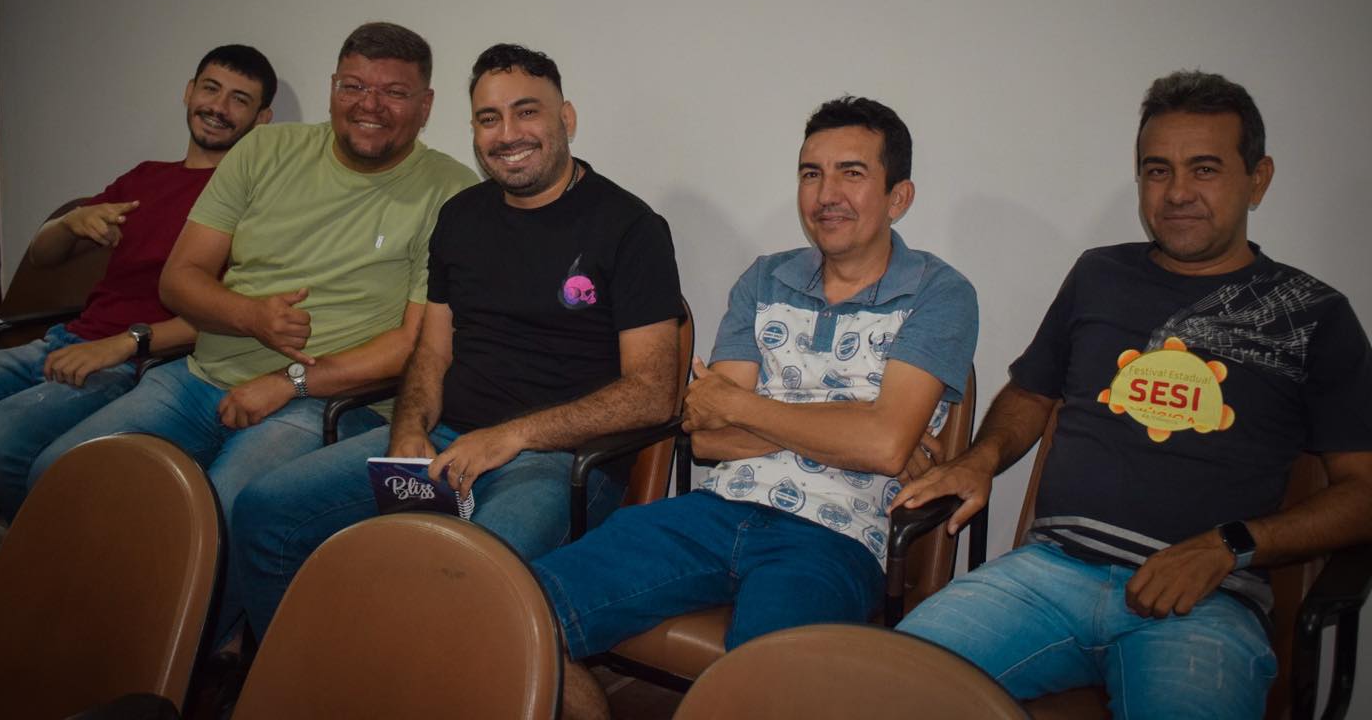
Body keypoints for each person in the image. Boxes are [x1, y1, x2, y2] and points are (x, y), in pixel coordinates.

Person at [894, 72, 1372, 720]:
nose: (1177, 192)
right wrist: (980, 459)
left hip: (1205, 602)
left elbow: (1363, 493)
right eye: (1157, 170)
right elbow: (1031, 393)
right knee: (880, 683)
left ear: (1258, 179)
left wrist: (1229, 545)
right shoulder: (1099, 274)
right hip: (1046, 576)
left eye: (1204, 169)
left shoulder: (1312, 313)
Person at [532, 96, 978, 720]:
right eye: (811, 173)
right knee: (521, 609)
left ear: (898, 196)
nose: (826, 194)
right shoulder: (765, 279)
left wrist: (749, 407)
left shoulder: (940, 294)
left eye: (851, 173)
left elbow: (881, 446)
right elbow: (709, 438)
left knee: (763, 690)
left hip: (836, 538)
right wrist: (851, 420)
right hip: (717, 508)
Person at [232, 42, 684, 639]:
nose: (508, 134)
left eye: (527, 111)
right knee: (265, 511)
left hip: (560, 464)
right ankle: (308, 677)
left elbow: (653, 393)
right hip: (446, 444)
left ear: (566, 118)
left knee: (458, 573)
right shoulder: (461, 216)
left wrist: (511, 436)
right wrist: (409, 429)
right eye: (489, 118)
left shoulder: (630, 228)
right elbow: (433, 350)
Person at [28, 22, 477, 516]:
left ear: (425, 106)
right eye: (353, 86)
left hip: (324, 401)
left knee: (218, 513)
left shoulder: (449, 190)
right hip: (197, 377)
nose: (369, 105)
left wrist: (289, 381)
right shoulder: (264, 149)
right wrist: (253, 317)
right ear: (333, 88)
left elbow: (416, 342)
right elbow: (180, 278)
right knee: (60, 473)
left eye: (394, 92)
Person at [0, 44, 276, 517]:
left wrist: (123, 345)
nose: (218, 107)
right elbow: (44, 256)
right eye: (211, 89)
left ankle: (39, 552)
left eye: (239, 99)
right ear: (188, 92)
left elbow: (233, 315)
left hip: (136, 363)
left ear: (262, 119)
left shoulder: (253, 202)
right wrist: (70, 223)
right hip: (64, 339)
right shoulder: (146, 177)